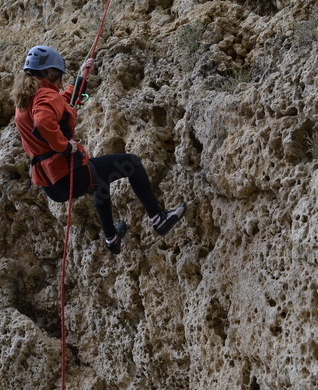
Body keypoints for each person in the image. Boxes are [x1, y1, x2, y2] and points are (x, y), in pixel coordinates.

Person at [12, 45, 187, 254]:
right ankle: (158, 218)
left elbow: (59, 102)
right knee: (132, 163)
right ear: (49, 74)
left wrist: (81, 79)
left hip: (51, 185)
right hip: (69, 174)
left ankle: (112, 239)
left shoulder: (25, 101)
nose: (59, 84)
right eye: (58, 78)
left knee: (100, 181)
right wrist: (65, 146)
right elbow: (43, 122)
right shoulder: (44, 96)